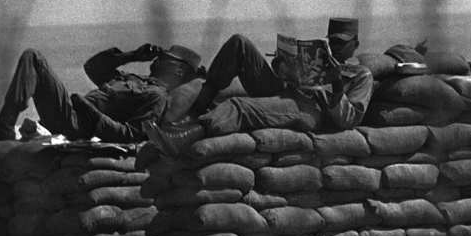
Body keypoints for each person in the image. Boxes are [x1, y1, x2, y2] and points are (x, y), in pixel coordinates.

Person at [151, 18, 373, 150]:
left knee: (240, 106)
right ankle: (193, 113)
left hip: (310, 110)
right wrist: (283, 65)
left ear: (356, 45)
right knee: (239, 43)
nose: (335, 46)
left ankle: (185, 136)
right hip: (288, 90)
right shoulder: (321, 56)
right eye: (332, 41)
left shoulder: (362, 75)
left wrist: (334, 82)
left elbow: (349, 120)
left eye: (341, 43)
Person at [0, 43, 204, 143]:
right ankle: (3, 124)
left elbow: (132, 135)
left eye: (165, 59)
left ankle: (3, 126)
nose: (157, 60)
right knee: (32, 57)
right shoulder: (135, 81)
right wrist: (131, 56)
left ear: (179, 73)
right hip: (71, 113)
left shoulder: (156, 97)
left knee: (34, 58)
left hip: (77, 124)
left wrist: (90, 112)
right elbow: (93, 67)